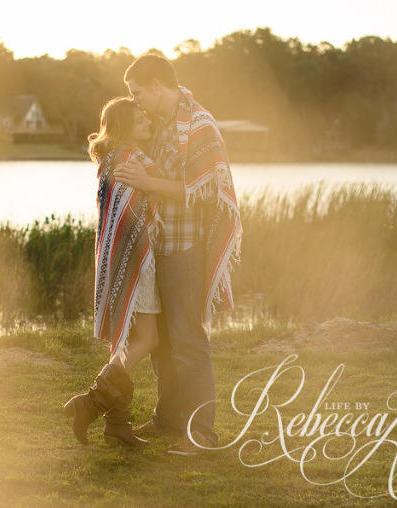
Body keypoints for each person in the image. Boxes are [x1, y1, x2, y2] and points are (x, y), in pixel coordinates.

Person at [113, 54, 242, 455]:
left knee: (187, 338)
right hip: (159, 244)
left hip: (186, 247)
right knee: (163, 342)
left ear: (156, 85)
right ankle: (168, 418)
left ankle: (202, 433)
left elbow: (199, 191)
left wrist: (148, 182)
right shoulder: (161, 123)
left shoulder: (199, 125)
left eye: (137, 93)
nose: (136, 101)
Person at [63, 96, 163, 447]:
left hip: (114, 257)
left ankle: (117, 426)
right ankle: (90, 404)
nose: (148, 124)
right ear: (123, 128)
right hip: (137, 260)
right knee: (148, 339)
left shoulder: (109, 159)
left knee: (124, 342)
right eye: (140, 121)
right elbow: (169, 189)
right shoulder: (133, 158)